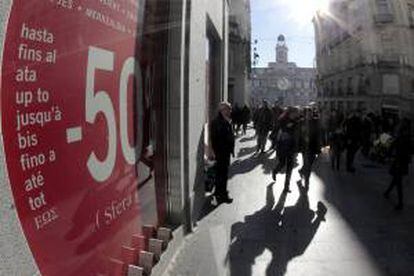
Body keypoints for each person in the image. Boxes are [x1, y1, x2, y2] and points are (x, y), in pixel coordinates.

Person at [383, 119, 412, 210]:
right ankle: (387, 192)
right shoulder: (408, 138)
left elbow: (391, 147)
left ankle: (400, 203)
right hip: (403, 162)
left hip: (398, 162)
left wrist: (387, 155)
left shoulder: (400, 138)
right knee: (396, 179)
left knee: (398, 182)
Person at [210, 102, 235, 204]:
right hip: (221, 153)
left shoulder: (227, 120)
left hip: (225, 152)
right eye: (228, 109)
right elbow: (216, 138)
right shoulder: (218, 122)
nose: (230, 111)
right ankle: (222, 195)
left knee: (222, 174)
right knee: (222, 175)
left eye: (230, 109)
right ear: (222, 110)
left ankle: (219, 192)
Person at [272, 106, 299, 193]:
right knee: (282, 163)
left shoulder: (296, 121)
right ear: (290, 113)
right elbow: (278, 131)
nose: (296, 115)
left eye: (296, 113)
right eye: (295, 113)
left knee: (290, 168)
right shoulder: (282, 120)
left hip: (292, 147)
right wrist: (286, 128)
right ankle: (275, 171)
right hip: (283, 146)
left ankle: (286, 187)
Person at [299, 107, 321, 187]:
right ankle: (307, 180)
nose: (309, 115)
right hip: (304, 147)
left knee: (310, 163)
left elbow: (319, 134)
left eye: (310, 113)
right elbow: (299, 134)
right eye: (307, 113)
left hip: (313, 146)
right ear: (305, 114)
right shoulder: (301, 122)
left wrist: (319, 147)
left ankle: (302, 170)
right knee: (307, 163)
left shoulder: (316, 121)